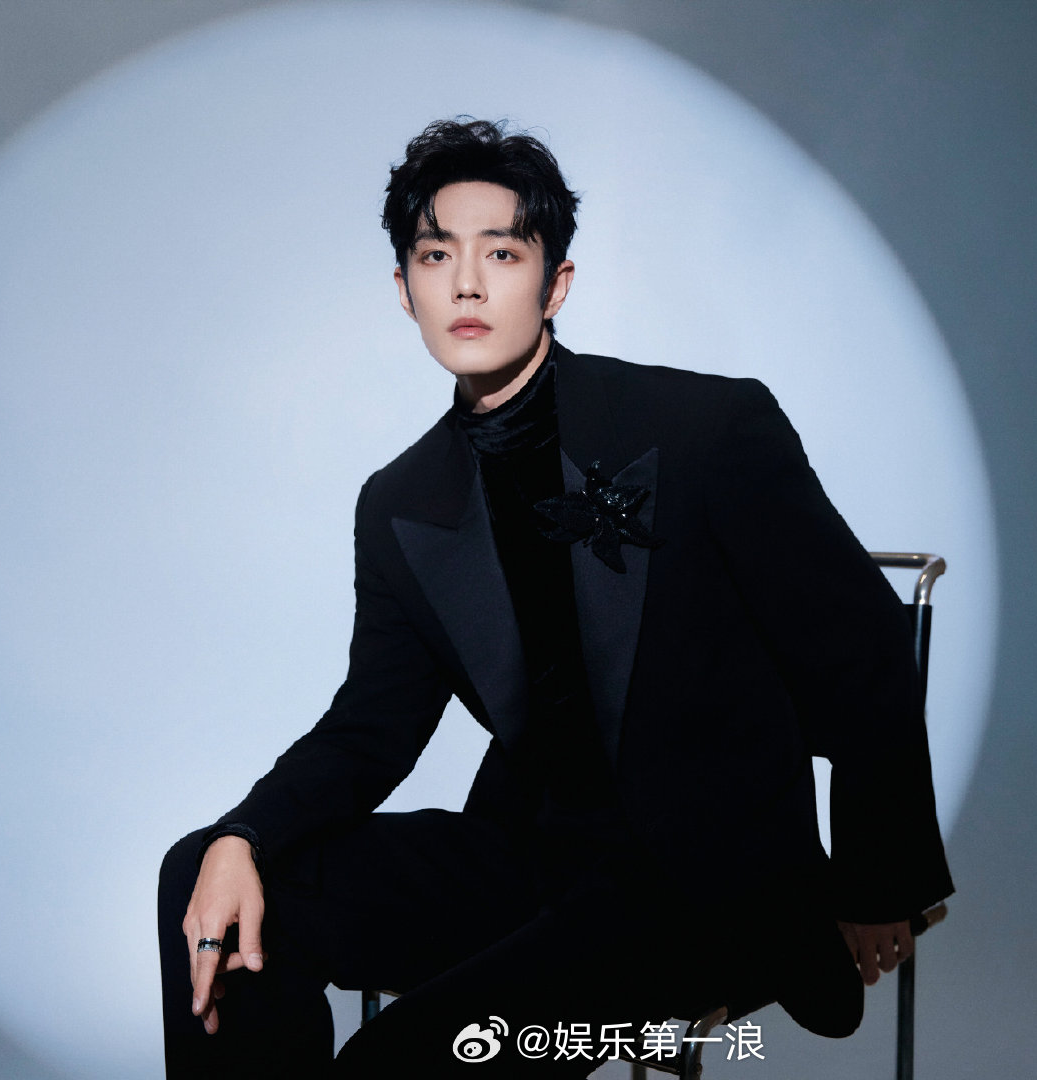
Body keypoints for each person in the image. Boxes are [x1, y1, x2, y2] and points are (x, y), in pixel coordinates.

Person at [156, 117, 953, 1077]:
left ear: (555, 283)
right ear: (403, 289)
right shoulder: (400, 500)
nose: (466, 283)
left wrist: (876, 882)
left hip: (704, 887)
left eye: (501, 252)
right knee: (202, 871)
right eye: (436, 255)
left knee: (398, 1063)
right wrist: (243, 835)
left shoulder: (705, 427)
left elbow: (860, 649)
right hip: (533, 864)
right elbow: (371, 726)